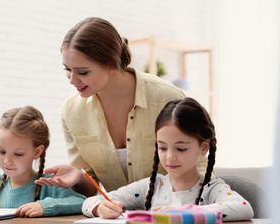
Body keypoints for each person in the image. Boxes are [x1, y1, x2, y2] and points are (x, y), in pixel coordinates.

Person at [36, 17, 207, 197]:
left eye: (83, 72)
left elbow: (200, 165)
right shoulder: (71, 111)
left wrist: (186, 206)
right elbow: (91, 187)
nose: (72, 80)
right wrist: (78, 178)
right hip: (115, 217)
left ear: (110, 64)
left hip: (174, 213)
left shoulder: (166, 97)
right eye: (67, 69)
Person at [81, 97, 254, 221]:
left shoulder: (212, 189)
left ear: (204, 147)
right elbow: (90, 201)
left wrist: (184, 213)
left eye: (181, 148)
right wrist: (99, 208)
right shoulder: (150, 186)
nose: (170, 156)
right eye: (162, 147)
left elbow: (244, 208)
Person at [0, 106, 86, 218]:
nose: (7, 161)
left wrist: (45, 206)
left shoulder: (49, 184)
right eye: (2, 151)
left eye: (18, 154)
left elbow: (80, 202)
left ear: (37, 152)